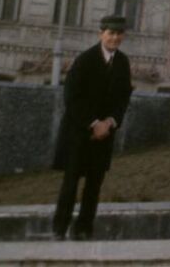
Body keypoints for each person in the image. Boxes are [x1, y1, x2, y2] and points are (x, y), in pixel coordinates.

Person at [51, 14, 133, 240]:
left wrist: (110, 122)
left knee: (94, 185)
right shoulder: (85, 60)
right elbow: (72, 97)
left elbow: (123, 98)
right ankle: (60, 228)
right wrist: (94, 123)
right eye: (110, 33)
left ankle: (84, 228)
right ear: (101, 34)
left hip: (105, 134)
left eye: (119, 34)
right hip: (78, 133)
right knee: (70, 183)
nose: (115, 38)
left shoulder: (123, 62)